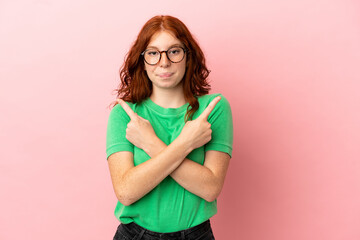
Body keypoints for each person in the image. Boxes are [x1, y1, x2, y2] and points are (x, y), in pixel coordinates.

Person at [106, 15, 233, 240]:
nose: (164, 62)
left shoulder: (213, 109)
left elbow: (210, 188)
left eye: (174, 51)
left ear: (188, 56)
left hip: (196, 234)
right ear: (143, 61)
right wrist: (186, 143)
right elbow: (126, 192)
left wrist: (150, 143)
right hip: (134, 234)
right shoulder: (125, 114)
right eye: (153, 53)